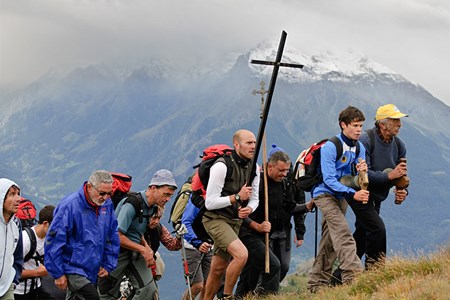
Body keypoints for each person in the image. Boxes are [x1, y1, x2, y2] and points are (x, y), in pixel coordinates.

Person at [235, 149, 314, 298]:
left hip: (265, 234)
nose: (284, 174)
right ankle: (266, 296)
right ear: (269, 167)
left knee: (251, 273)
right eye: (281, 170)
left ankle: (243, 297)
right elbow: (240, 211)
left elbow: (290, 206)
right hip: (247, 233)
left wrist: (307, 206)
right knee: (273, 265)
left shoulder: (284, 184)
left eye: (286, 170)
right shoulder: (257, 182)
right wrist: (256, 225)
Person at [307, 106, 369, 293]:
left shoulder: (360, 147)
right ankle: (354, 278)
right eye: (355, 125)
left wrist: (361, 173)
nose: (359, 129)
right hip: (324, 194)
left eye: (361, 125)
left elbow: (358, 178)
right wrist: (353, 194)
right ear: (343, 125)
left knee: (329, 241)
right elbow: (328, 179)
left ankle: (316, 284)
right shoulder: (331, 147)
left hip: (342, 194)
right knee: (343, 234)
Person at [98, 169, 177, 300]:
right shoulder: (132, 204)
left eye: (170, 196)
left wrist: (146, 249)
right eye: (166, 194)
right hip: (116, 254)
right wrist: (142, 249)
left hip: (134, 254)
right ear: (153, 188)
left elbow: (136, 231)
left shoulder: (152, 207)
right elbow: (117, 235)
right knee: (107, 295)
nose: (168, 199)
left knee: (149, 290)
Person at [202, 129, 260, 300]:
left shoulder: (254, 166)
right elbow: (210, 202)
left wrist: (249, 209)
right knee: (241, 255)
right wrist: (236, 198)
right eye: (249, 143)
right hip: (215, 219)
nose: (253, 146)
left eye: (255, 143)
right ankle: (227, 296)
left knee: (218, 269)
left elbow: (254, 198)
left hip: (235, 221)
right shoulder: (221, 166)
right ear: (236, 145)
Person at [44, 170, 120, 300]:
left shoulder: (106, 205)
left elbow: (112, 235)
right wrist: (57, 273)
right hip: (72, 267)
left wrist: (108, 264)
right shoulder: (70, 205)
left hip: (92, 268)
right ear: (90, 187)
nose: (106, 197)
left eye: (109, 193)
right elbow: (54, 240)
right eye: (102, 193)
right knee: (92, 297)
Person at [352, 104, 409, 267]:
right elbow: (362, 174)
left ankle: (339, 277)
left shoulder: (399, 145)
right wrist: (390, 176)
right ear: (382, 124)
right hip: (359, 194)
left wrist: (402, 190)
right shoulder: (365, 139)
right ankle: (375, 273)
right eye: (395, 120)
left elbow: (401, 174)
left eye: (399, 120)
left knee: (363, 235)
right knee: (377, 229)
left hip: (377, 197)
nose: (399, 124)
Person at [266, 145, 314, 283]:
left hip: (284, 229)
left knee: (284, 266)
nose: (284, 173)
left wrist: (300, 231)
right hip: (266, 230)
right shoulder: (262, 181)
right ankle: (264, 292)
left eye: (286, 169)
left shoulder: (291, 181)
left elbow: (295, 206)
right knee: (269, 265)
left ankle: (271, 289)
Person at [14, 205, 56, 300]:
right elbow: (10, 272)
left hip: (36, 288)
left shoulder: (48, 238)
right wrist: (37, 272)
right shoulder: (25, 240)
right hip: (18, 292)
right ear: (45, 224)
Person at [180, 197, 213, 300]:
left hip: (210, 246)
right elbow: (186, 223)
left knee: (209, 285)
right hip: (192, 247)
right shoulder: (197, 198)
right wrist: (197, 243)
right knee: (198, 285)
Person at [0, 178, 23, 300]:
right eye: (12, 194)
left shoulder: (16, 224)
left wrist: (14, 280)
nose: (18, 199)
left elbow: (18, 255)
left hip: (6, 287)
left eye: (18, 194)